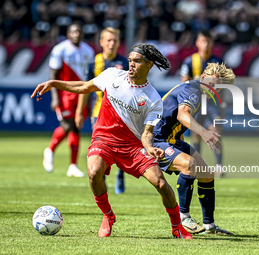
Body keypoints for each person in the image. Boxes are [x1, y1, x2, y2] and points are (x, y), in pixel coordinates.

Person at [31, 43, 192, 239]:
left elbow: (147, 132)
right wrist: (55, 83)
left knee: (160, 183)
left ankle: (177, 226)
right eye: (130, 60)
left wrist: (149, 147)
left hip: (132, 146)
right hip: (104, 139)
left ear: (149, 65)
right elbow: (83, 86)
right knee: (93, 172)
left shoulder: (153, 99)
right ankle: (108, 216)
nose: (131, 65)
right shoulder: (112, 76)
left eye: (137, 61)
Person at [154, 63, 235, 235]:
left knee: (206, 174)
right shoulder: (193, 90)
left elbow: (175, 119)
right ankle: (184, 219)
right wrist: (204, 133)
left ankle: (210, 226)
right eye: (212, 84)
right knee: (189, 164)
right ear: (203, 77)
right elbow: (182, 114)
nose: (214, 89)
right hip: (156, 140)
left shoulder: (199, 92)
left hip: (172, 139)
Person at [75, 27, 128, 194]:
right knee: (100, 148)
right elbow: (85, 88)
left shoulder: (125, 63)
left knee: (120, 148)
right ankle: (101, 180)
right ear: (101, 42)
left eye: (114, 40)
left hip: (120, 114)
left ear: (119, 43)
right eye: (108, 40)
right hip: (99, 113)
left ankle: (120, 174)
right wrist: (78, 111)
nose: (111, 43)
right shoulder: (93, 63)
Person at [43, 22, 94, 177]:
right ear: (68, 34)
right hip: (64, 95)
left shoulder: (88, 51)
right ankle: (50, 150)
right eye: (73, 31)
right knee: (67, 125)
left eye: (79, 31)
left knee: (76, 127)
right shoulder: (60, 49)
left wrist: (90, 99)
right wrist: (54, 97)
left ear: (82, 34)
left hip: (82, 95)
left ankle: (72, 166)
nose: (76, 34)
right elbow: (53, 74)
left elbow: (90, 77)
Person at [180, 30, 225, 177]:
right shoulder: (190, 61)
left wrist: (222, 104)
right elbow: (184, 84)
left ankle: (219, 166)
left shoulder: (217, 62)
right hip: (196, 103)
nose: (205, 45)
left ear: (211, 43)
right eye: (202, 41)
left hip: (212, 104)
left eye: (208, 42)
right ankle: (198, 165)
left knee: (215, 131)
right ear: (197, 43)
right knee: (196, 134)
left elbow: (222, 86)